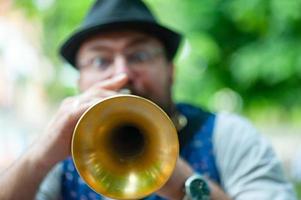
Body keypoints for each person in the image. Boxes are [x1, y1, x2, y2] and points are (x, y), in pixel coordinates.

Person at [0, 0, 297, 199]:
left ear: (171, 71)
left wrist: (183, 183)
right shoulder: (59, 154)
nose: (123, 73)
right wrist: (40, 155)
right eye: (101, 61)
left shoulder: (228, 136)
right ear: (80, 81)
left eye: (139, 55)